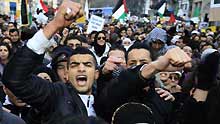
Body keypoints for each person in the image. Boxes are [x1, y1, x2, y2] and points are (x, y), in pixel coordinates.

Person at [2, 1, 191, 124]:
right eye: (74, 65)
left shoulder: (105, 98)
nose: (81, 68)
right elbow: (15, 79)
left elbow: (127, 81)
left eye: (88, 65)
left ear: (97, 73)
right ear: (66, 74)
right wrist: (54, 25)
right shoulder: (54, 95)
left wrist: (157, 65)